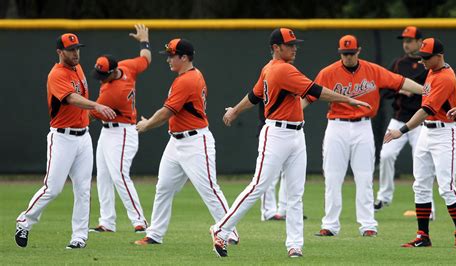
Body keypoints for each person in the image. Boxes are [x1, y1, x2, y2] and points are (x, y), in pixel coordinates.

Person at [210, 28, 371, 258]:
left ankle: (295, 245)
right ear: (276, 48)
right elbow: (315, 91)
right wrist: (348, 100)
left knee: (296, 193)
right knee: (258, 186)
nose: (295, 48)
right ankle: (221, 229)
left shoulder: (269, 67)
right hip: (276, 134)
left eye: (295, 44)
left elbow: (255, 96)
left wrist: (235, 110)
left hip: (296, 134)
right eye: (290, 44)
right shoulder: (283, 69)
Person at [307, 34, 423, 238]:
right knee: (333, 177)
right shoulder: (328, 73)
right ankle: (330, 225)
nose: (348, 57)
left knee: (364, 177)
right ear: (339, 53)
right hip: (336, 126)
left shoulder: (372, 70)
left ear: (358, 51)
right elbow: (309, 96)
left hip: (363, 126)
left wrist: (427, 91)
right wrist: (293, 115)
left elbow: (401, 82)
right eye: (344, 53)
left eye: (351, 53)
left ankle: (368, 224)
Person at [133, 38, 239, 246]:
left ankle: (230, 231)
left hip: (195, 142)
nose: (168, 60)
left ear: (184, 57)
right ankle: (155, 234)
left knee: (209, 189)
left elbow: (165, 113)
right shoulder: (189, 76)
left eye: (172, 56)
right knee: (163, 187)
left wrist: (147, 125)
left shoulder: (187, 80)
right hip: (176, 141)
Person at [15, 33, 116, 249]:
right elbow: (71, 98)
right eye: (71, 50)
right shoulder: (56, 74)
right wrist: (96, 106)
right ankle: (25, 220)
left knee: (83, 189)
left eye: (77, 48)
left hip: (83, 137)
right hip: (62, 138)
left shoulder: (77, 68)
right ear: (60, 52)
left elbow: (78, 103)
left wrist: (88, 114)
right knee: (53, 188)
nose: (76, 53)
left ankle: (79, 237)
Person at [384, 38, 456, 248]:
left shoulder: (445, 77)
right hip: (426, 132)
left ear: (439, 56)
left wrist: (401, 131)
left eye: (426, 58)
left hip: (443, 133)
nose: (422, 62)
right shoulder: (432, 71)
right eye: (421, 57)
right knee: (420, 185)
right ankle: (423, 236)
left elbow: (426, 110)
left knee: (446, 187)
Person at [89, 24, 151, 234]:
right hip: (109, 132)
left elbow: (91, 113)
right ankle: (107, 221)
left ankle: (140, 221)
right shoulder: (127, 66)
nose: (101, 79)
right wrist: (144, 41)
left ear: (113, 71)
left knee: (119, 175)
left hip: (123, 131)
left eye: (104, 75)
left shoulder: (114, 92)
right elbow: (146, 59)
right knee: (104, 175)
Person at [375, 26, 432, 214]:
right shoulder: (398, 64)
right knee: (386, 155)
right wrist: (400, 89)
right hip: (398, 120)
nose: (406, 44)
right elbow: (382, 89)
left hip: (420, 121)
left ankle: (427, 205)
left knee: (422, 161)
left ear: (419, 42)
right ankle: (384, 197)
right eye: (404, 41)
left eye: (409, 40)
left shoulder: (428, 64)